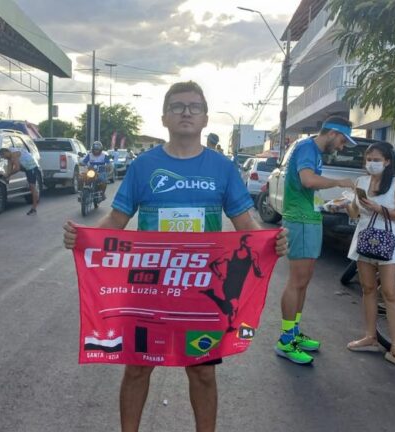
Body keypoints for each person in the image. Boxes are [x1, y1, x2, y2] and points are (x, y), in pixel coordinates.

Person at [63, 81, 287, 432]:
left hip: (200, 290)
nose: (186, 112)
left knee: (202, 371)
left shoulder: (222, 168)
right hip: (148, 287)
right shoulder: (143, 166)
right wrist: (83, 238)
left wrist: (272, 240)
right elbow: (117, 221)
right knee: (137, 367)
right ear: (165, 117)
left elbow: (246, 222)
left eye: (194, 107)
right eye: (178, 106)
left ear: (205, 118)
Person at [275, 116, 357, 365]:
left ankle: (294, 333)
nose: (342, 146)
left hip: (308, 218)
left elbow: (307, 189)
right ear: (332, 133)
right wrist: (340, 182)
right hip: (299, 221)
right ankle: (286, 341)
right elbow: (307, 180)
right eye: (342, 140)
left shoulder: (312, 150)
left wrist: (326, 205)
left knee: (304, 281)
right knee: (297, 281)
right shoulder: (307, 148)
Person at [344, 142, 395, 371]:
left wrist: (377, 208)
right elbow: (356, 213)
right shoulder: (361, 182)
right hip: (364, 237)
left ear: (386, 161)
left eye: (376, 159)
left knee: (390, 293)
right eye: (368, 159)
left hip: (387, 241)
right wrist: (346, 206)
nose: (371, 163)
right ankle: (370, 336)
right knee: (367, 288)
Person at [0, 146, 40, 215]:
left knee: (32, 187)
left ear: (6, 152)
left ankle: (34, 208)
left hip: (31, 167)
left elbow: (17, 168)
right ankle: (35, 200)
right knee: (10, 163)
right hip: (26, 166)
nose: (4, 158)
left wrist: (7, 175)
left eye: (4, 156)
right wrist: (7, 177)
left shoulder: (14, 154)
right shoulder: (10, 155)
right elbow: (9, 167)